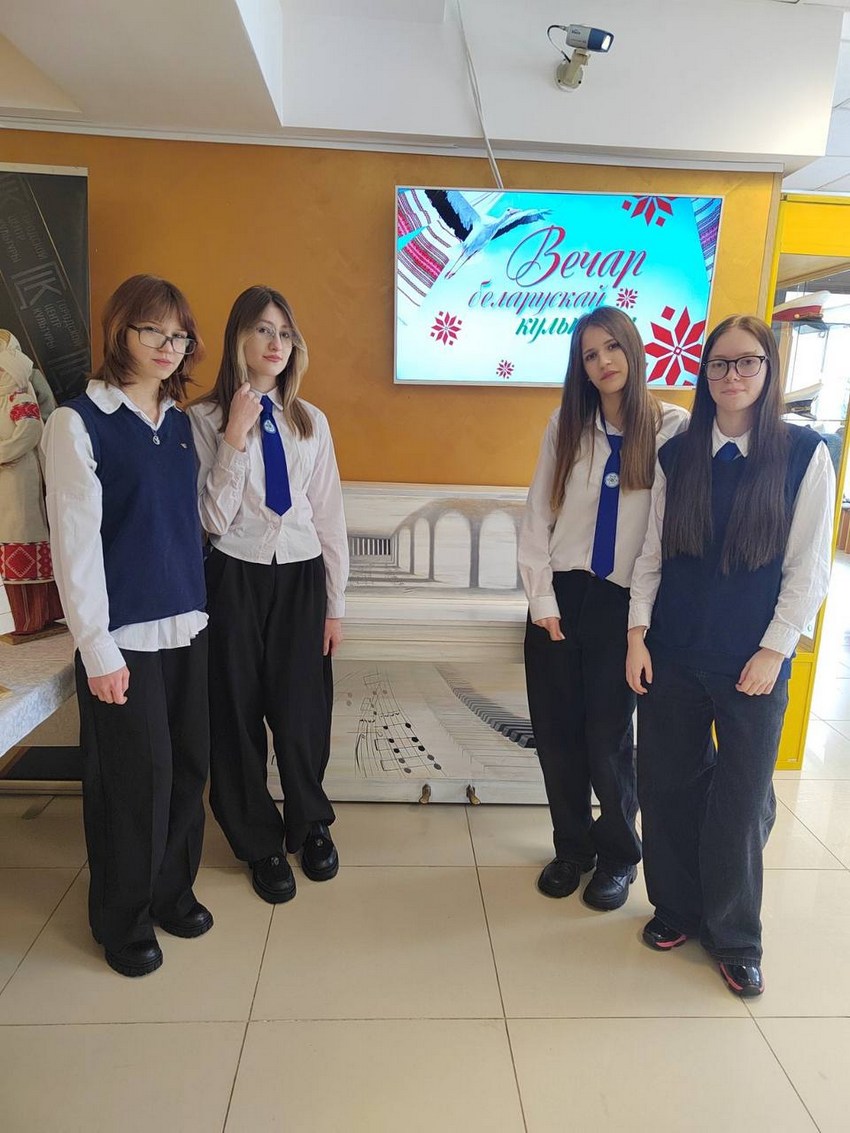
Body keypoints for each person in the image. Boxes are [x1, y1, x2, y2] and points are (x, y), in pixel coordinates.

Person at [626, 314, 835, 997]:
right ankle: (676, 908)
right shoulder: (677, 454)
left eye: (748, 362)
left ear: (769, 371)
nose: (732, 375)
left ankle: (736, 935)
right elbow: (652, 553)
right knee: (666, 786)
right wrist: (637, 634)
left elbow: (809, 567)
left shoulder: (804, 454)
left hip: (752, 661)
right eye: (719, 363)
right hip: (673, 652)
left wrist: (776, 649)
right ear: (703, 372)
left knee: (740, 801)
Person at [42, 275, 211, 978]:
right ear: (121, 332)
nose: (168, 347)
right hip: (123, 640)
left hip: (187, 623)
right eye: (153, 332)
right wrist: (98, 650)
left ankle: (172, 891)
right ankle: (124, 917)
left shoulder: (179, 422)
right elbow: (75, 546)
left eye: (179, 336)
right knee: (134, 782)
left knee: (187, 769)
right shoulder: (78, 422)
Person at [519, 306, 689, 911]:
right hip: (562, 598)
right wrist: (541, 599)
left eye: (612, 347)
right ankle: (572, 849)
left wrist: (639, 620)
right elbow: (537, 514)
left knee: (608, 740)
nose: (603, 362)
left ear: (633, 350)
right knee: (557, 735)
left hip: (623, 603)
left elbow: (661, 536)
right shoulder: (567, 424)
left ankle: (618, 855)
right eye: (590, 355)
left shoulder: (672, 428)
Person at [188, 285, 348, 905]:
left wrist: (335, 604)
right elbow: (210, 520)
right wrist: (234, 434)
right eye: (262, 329)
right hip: (234, 574)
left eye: (284, 332)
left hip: (302, 575)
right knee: (235, 711)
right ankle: (257, 840)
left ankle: (310, 824)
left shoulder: (311, 421)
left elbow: (329, 516)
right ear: (238, 339)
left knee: (303, 710)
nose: (275, 342)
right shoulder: (203, 420)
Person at [0, 331, 64, 639]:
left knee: (23, 537)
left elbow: (32, 429)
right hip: (8, 478)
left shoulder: (20, 389)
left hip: (22, 477)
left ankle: (35, 617)